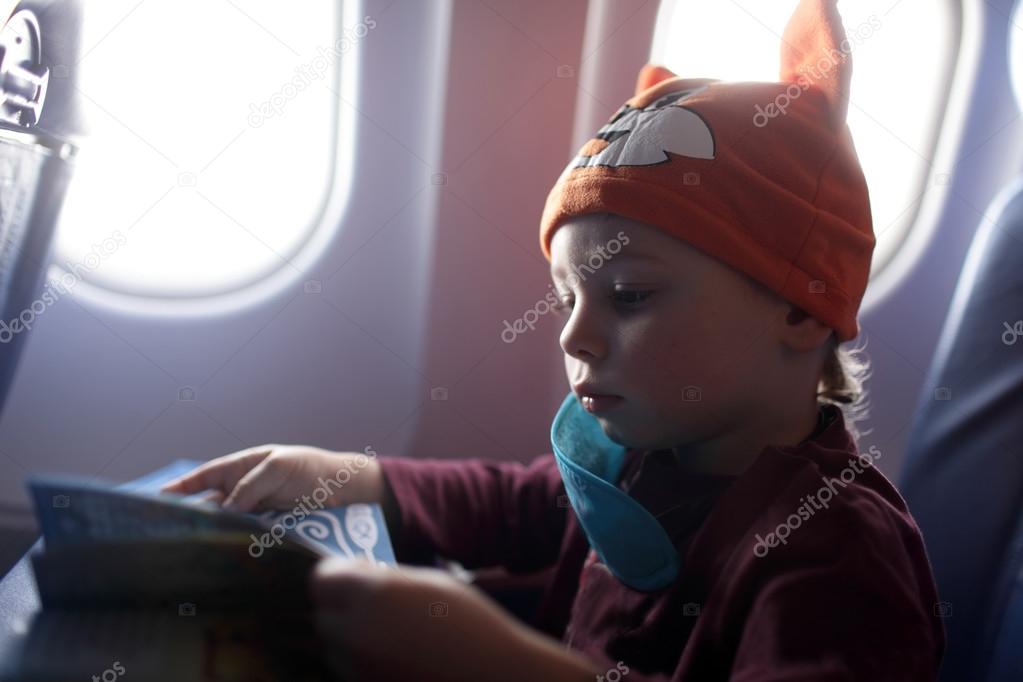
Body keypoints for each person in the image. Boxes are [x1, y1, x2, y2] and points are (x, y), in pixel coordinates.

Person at [161, 1, 945, 679]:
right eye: (566, 298)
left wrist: (504, 666)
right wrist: (345, 477)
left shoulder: (834, 549)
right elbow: (514, 503)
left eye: (629, 295)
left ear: (799, 309)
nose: (574, 335)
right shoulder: (640, 456)